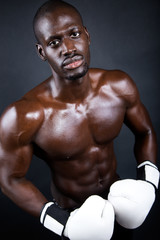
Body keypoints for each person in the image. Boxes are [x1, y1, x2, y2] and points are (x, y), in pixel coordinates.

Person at [0, 0, 159, 239]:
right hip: (73, 217)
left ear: (86, 35)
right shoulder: (25, 115)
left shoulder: (118, 86)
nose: (68, 48)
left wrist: (149, 183)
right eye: (54, 42)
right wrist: (62, 223)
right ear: (42, 52)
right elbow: (9, 178)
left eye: (74, 34)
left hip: (122, 207)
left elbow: (145, 132)